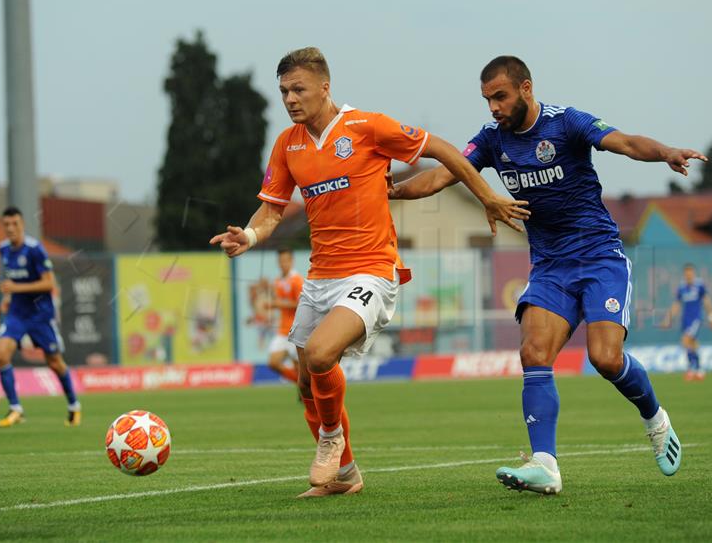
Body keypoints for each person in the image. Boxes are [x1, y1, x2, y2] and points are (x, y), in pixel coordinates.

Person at [211, 47, 529, 498]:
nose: (290, 99)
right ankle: (346, 475)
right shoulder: (288, 144)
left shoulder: (367, 127)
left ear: (325, 86)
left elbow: (442, 151)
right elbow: (272, 209)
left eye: (298, 89)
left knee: (321, 355)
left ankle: (329, 440)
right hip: (321, 275)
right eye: (283, 91)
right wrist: (249, 235)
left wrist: (487, 197)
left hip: (371, 272)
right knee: (306, 379)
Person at [390, 56, 708, 494]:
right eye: (487, 100)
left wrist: (666, 153)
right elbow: (443, 176)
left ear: (525, 87)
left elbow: (627, 143)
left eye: (500, 97)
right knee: (534, 352)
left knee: (606, 359)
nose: (494, 108)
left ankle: (656, 420)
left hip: (599, 257)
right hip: (551, 266)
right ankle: (546, 465)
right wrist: (392, 190)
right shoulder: (490, 141)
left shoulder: (567, 123)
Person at [0, 206, 82, 427]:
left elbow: (49, 283)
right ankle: (16, 409)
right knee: (1, 354)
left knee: (54, 362)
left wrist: (16, 288)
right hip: (16, 313)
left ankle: (74, 405)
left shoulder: (35, 249)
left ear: (22, 225)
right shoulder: (3, 249)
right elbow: (11, 277)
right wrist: (8, 297)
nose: (11, 228)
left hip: (40, 315)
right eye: (6, 224)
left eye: (15, 224)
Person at [660, 263, 712, 380]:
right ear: (684, 274)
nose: (688, 274)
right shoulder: (682, 288)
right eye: (686, 272)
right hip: (685, 320)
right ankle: (698, 369)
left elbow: (707, 301)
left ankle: (693, 368)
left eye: (690, 272)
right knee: (692, 344)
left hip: (695, 319)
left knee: (685, 341)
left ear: (693, 273)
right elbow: (676, 305)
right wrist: (668, 319)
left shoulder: (699, 285)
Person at [263, 247, 303, 383]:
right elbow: (279, 303)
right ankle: (302, 384)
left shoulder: (297, 280)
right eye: (280, 261)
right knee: (273, 363)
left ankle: (306, 392)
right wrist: (271, 305)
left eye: (286, 260)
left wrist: (277, 304)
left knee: (299, 369)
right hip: (282, 331)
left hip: (296, 331)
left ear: (292, 261)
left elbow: (300, 304)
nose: (283, 264)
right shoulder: (278, 281)